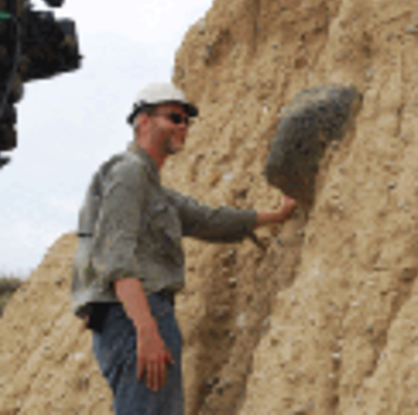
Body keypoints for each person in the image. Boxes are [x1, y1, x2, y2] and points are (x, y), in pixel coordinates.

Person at [71, 82, 297, 415]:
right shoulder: (129, 173)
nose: (183, 127)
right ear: (143, 122)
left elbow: (207, 220)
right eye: (174, 117)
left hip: (133, 318)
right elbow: (115, 260)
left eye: (186, 122)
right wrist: (145, 330)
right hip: (135, 316)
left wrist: (274, 216)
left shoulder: (152, 188)